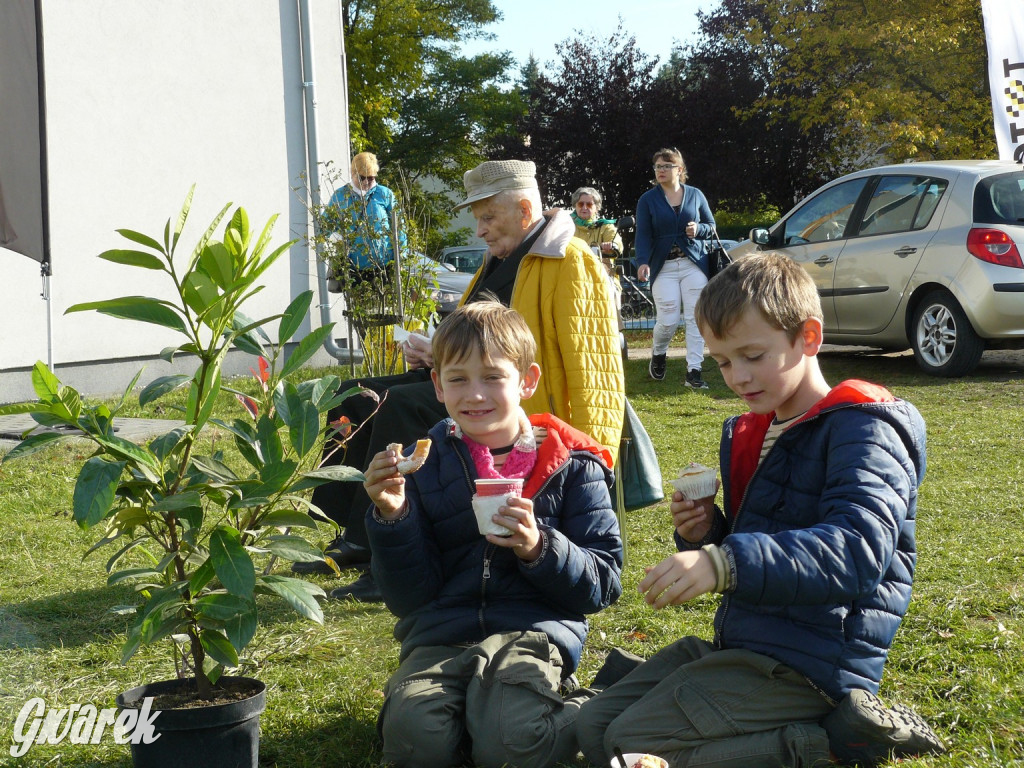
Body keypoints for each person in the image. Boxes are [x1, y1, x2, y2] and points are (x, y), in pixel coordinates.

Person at [576, 253, 945, 767]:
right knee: (589, 728)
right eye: (723, 360)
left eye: (753, 355)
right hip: (744, 645)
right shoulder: (756, 430)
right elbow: (769, 535)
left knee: (629, 745)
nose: (737, 376)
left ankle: (828, 746)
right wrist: (708, 531)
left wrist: (721, 562)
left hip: (812, 665)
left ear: (808, 338)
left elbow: (858, 551)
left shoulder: (864, 428)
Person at [296, 159, 624, 603]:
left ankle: (376, 548)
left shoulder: (568, 259)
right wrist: (436, 350)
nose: (480, 230)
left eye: (488, 217)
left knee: (398, 405)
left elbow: (593, 365)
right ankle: (346, 529)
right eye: (478, 218)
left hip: (514, 402)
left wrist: (594, 450)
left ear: (525, 210)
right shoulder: (501, 259)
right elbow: (474, 331)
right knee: (354, 395)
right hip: (474, 383)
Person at [364, 301, 623, 768]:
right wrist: (393, 515)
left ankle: (591, 707)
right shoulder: (420, 466)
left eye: (493, 376)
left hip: (532, 632)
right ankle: (458, 719)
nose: (475, 394)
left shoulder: (573, 464)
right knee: (414, 742)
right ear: (437, 385)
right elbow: (408, 597)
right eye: (458, 379)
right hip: (439, 636)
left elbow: (603, 583)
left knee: (511, 747)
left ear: (527, 381)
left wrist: (539, 546)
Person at [634, 147, 716, 388]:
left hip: (693, 264)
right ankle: (658, 353)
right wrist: (643, 262)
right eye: (658, 166)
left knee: (694, 318)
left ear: (679, 170)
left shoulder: (696, 194)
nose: (661, 170)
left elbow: (711, 226)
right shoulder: (647, 199)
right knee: (668, 319)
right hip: (664, 266)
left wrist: (698, 230)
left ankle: (694, 372)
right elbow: (643, 235)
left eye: (666, 166)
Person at [323, 151, 405, 283]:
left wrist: (401, 257)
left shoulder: (384, 194)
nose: (367, 181)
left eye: (371, 177)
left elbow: (400, 227)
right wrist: (335, 237)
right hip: (352, 267)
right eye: (362, 177)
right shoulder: (340, 196)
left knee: (384, 303)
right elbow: (324, 226)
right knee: (357, 303)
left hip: (383, 264)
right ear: (353, 174)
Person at [570, 186, 626, 360]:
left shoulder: (606, 227)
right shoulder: (566, 226)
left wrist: (612, 246)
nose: (585, 207)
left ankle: (616, 333)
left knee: (609, 292)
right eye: (581, 204)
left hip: (603, 276)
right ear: (575, 206)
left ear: (596, 208)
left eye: (589, 204)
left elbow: (617, 244)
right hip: (573, 276)